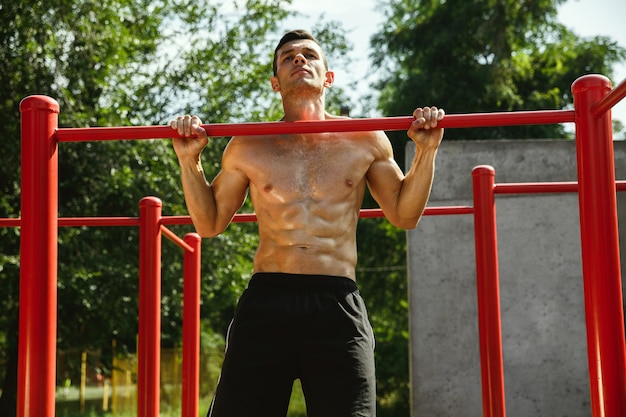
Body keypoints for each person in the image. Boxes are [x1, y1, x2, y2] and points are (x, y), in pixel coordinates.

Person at [170, 29, 444, 417]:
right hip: (268, 300)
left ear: (328, 76)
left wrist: (426, 152)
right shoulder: (248, 143)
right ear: (275, 83)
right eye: (288, 57)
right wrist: (189, 161)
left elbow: (404, 214)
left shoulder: (364, 138)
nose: (299, 60)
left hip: (336, 302)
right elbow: (211, 222)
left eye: (310, 55)